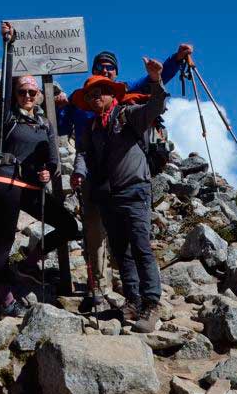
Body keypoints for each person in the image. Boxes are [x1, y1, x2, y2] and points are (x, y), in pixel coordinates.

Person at [55, 44, 192, 313]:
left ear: (115, 76)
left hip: (130, 184)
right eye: (100, 68)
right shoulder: (85, 111)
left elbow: (156, 92)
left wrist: (174, 60)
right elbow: (66, 132)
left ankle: (149, 302)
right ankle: (105, 292)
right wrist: (60, 105)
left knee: (138, 245)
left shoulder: (127, 106)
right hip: (99, 184)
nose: (105, 72)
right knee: (107, 241)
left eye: (110, 68)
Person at [70, 56, 168, 333]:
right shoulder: (92, 127)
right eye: (89, 95)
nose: (93, 98)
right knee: (120, 251)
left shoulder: (129, 114)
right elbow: (84, 154)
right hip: (109, 195)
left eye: (97, 93)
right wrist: (78, 172)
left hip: (135, 189)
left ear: (111, 93)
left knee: (140, 247)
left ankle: (151, 303)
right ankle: (132, 300)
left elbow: (155, 106)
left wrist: (156, 80)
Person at [0, 25, 81, 317]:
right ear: (16, 95)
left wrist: (48, 173)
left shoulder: (45, 124)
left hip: (31, 187)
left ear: (39, 96)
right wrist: (9, 46)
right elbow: (6, 84)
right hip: (6, 183)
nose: (27, 95)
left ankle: (29, 264)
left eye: (32, 92)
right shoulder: (8, 117)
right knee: (3, 241)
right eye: (23, 92)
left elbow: (53, 160)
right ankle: (4, 299)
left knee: (69, 226)